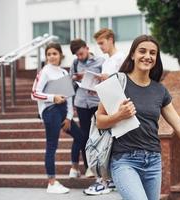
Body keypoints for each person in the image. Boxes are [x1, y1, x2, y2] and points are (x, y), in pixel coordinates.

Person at [94, 35, 180, 200]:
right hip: (124, 161)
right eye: (142, 51)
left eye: (152, 53)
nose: (147, 56)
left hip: (153, 161)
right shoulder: (117, 82)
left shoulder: (159, 90)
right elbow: (100, 121)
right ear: (132, 55)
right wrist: (119, 115)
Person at [31, 42, 85, 194]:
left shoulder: (63, 73)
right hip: (51, 111)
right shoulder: (45, 72)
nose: (52, 57)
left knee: (80, 137)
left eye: (54, 53)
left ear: (60, 55)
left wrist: (68, 117)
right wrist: (52, 97)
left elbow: (68, 97)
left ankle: (74, 168)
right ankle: (52, 182)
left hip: (63, 112)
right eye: (49, 54)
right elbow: (34, 93)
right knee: (52, 146)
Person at [83, 28, 126, 195]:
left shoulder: (121, 58)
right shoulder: (106, 61)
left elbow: (125, 81)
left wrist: (108, 79)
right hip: (106, 104)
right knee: (105, 144)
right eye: (98, 44)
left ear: (111, 39)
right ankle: (108, 180)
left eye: (102, 43)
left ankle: (103, 182)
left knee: (104, 144)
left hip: (116, 107)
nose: (100, 47)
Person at [69, 39, 104, 178]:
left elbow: (105, 80)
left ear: (87, 48)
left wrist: (93, 79)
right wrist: (75, 78)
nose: (79, 57)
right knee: (85, 135)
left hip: (97, 102)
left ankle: (102, 166)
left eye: (81, 53)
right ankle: (88, 167)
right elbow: (71, 83)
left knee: (99, 134)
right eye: (77, 55)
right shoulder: (75, 63)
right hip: (81, 102)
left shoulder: (100, 61)